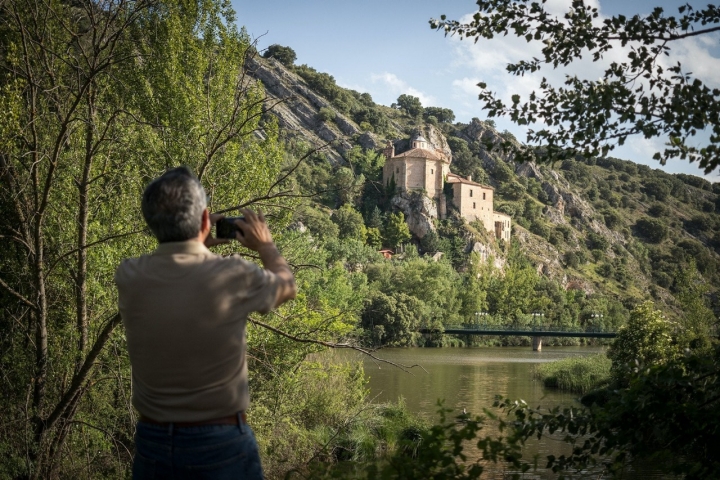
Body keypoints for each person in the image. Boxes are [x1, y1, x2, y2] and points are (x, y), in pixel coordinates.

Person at [115, 166, 296, 479]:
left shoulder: (129, 275)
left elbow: (176, 271)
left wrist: (196, 240)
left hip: (151, 444)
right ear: (204, 219)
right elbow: (286, 286)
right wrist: (265, 245)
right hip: (221, 445)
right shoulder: (233, 274)